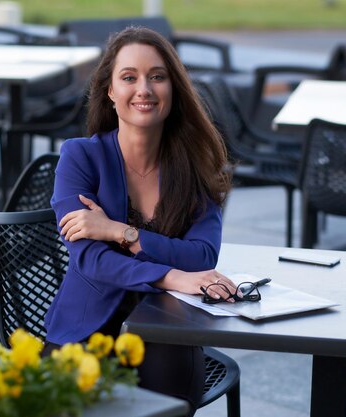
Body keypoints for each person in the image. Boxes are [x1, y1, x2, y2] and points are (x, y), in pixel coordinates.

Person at [43, 26, 233, 415]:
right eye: (129, 77)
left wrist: (119, 231)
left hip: (166, 328)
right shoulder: (80, 157)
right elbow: (90, 260)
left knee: (165, 400)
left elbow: (201, 256)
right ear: (110, 91)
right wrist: (173, 275)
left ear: (173, 90)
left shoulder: (196, 167)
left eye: (157, 77)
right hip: (84, 329)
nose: (144, 88)